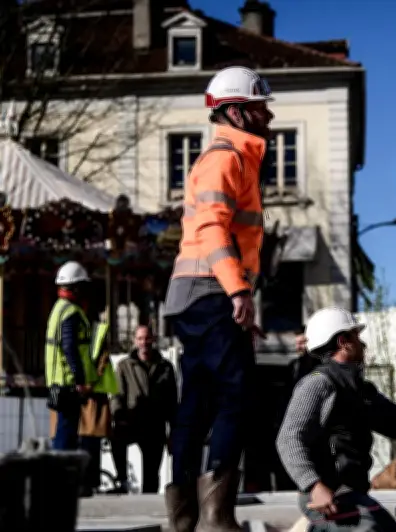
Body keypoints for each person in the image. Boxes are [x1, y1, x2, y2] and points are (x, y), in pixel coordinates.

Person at [162, 65, 273, 532]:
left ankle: (183, 515)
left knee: (199, 400)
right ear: (234, 112)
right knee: (237, 395)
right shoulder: (226, 157)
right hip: (210, 290)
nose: (267, 114)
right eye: (257, 107)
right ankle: (215, 515)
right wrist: (238, 290)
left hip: (196, 294)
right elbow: (211, 227)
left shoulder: (235, 157)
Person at [277, 307, 396, 532]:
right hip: (329, 497)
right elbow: (289, 439)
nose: (363, 344)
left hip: (350, 495)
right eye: (357, 336)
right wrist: (314, 485)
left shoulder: (360, 391)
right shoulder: (318, 384)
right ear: (343, 341)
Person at [45, 261, 117, 497]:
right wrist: (79, 381)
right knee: (66, 436)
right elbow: (70, 349)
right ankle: (60, 485)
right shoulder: (71, 313)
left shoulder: (57, 309)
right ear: (74, 288)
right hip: (68, 384)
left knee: (64, 435)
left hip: (57, 382)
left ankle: (59, 483)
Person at [110, 325, 178, 494]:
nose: (144, 343)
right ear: (135, 341)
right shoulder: (124, 366)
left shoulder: (165, 367)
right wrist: (118, 415)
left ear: (153, 340)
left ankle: (149, 501)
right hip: (132, 420)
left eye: (147, 338)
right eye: (140, 339)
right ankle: (122, 480)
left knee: (152, 474)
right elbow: (117, 394)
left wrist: (174, 431)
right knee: (116, 439)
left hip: (155, 424)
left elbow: (172, 401)